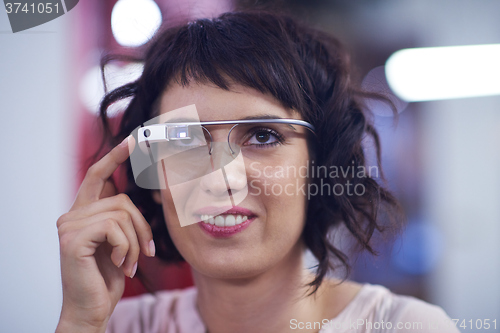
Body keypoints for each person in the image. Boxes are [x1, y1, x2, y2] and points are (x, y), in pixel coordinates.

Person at [56, 10, 460, 333]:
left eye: (263, 136)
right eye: (184, 141)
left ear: (318, 165)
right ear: (154, 177)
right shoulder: (114, 327)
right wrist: (79, 321)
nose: (221, 178)